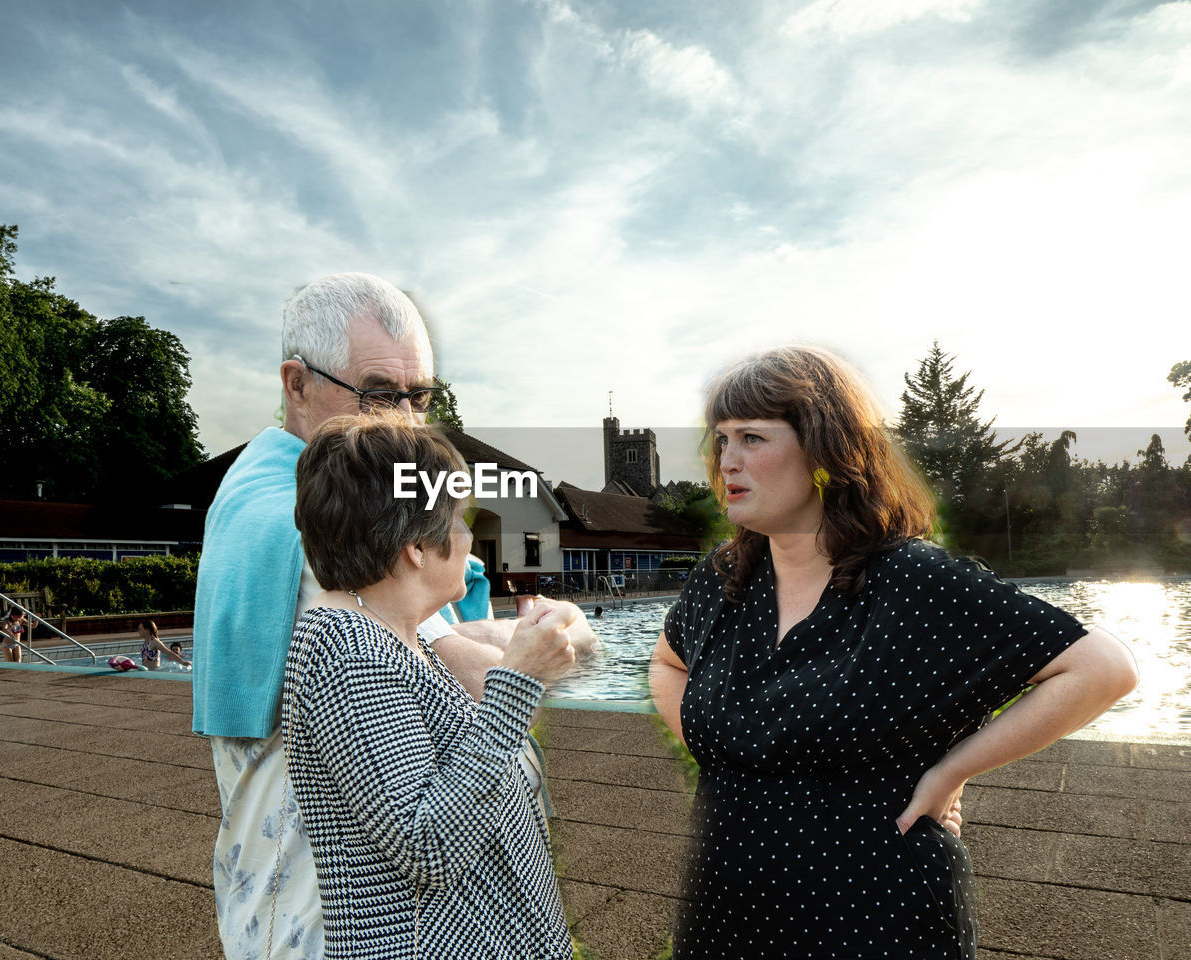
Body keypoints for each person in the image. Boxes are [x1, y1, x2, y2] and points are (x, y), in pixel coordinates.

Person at [649, 346, 1138, 960]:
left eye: (752, 437)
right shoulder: (726, 578)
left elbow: (1101, 669)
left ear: (825, 452)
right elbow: (668, 664)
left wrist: (952, 770)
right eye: (721, 441)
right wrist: (720, 753)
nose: (728, 462)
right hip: (723, 910)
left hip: (875, 918)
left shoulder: (912, 581)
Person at [192, 272, 597, 960]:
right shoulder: (323, 536)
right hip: (341, 917)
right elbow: (471, 676)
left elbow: (428, 643)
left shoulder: (256, 495)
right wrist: (529, 651)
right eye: (380, 393)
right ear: (297, 384)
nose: (407, 419)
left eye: (421, 396)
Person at [281, 414, 574, 959]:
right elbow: (427, 845)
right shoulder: (346, 651)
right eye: (459, 520)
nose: (469, 541)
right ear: (417, 543)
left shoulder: (389, 639)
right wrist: (516, 681)